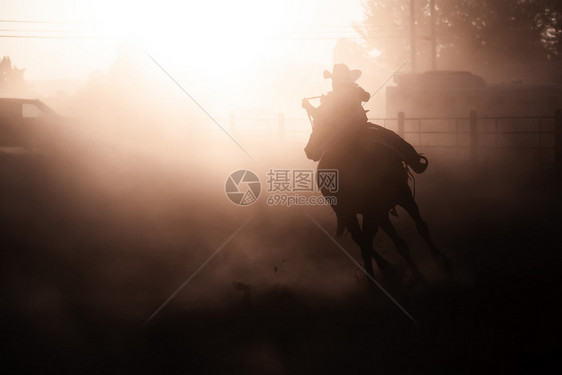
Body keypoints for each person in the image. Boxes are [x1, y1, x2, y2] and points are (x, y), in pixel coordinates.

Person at [302, 63, 428, 173]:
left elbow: (319, 115)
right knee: (392, 137)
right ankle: (415, 161)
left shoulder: (333, 97)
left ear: (335, 81)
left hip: (338, 133)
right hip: (361, 128)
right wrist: (353, 89)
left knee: (317, 141)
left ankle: (314, 154)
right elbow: (366, 96)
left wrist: (308, 106)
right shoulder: (351, 90)